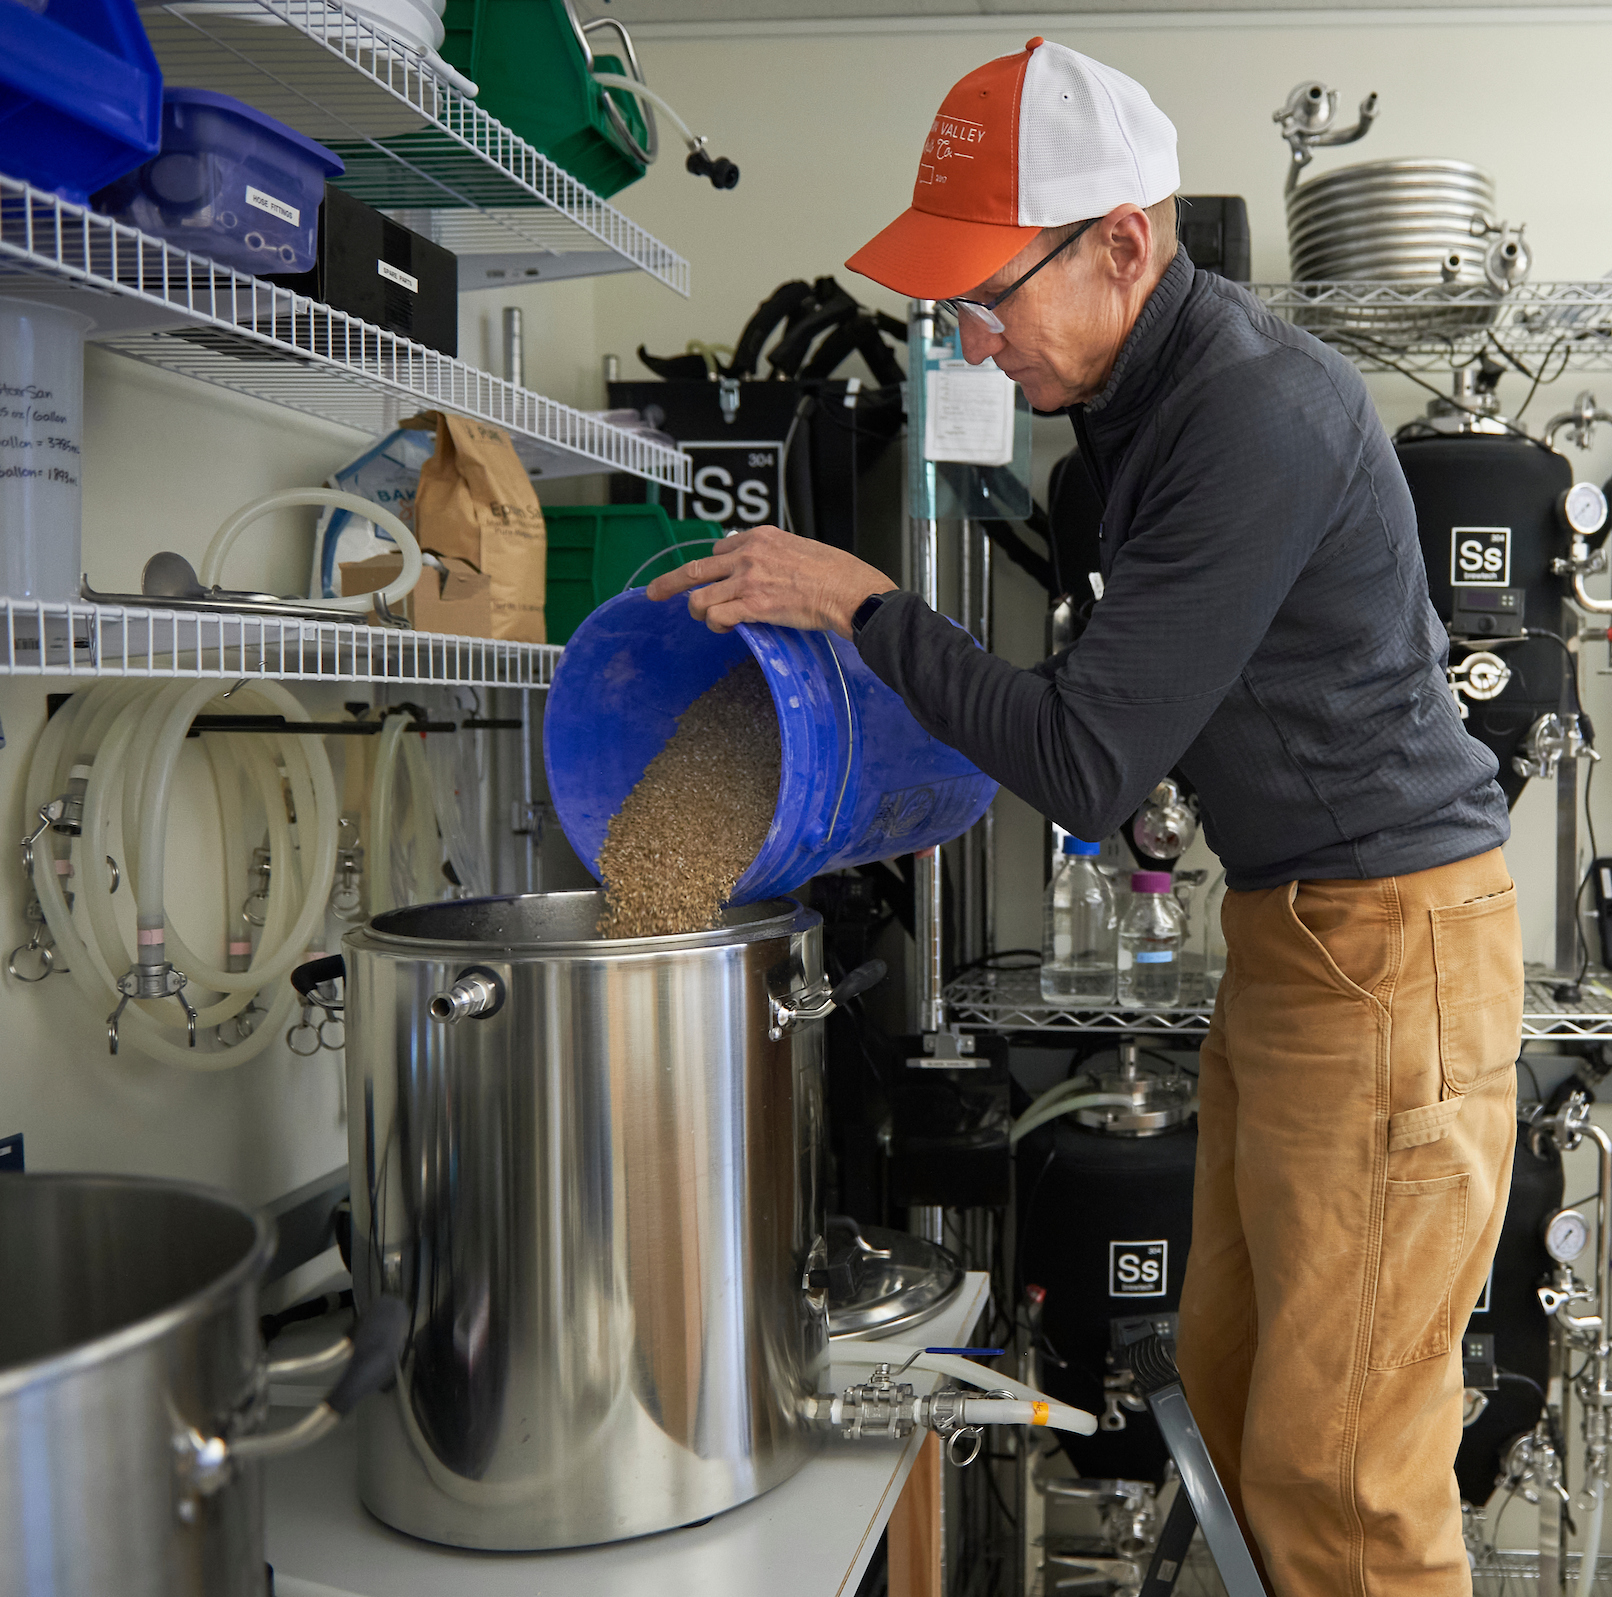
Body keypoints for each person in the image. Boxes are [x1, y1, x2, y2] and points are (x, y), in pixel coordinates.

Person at [645, 38, 1524, 1597]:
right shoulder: (1137, 410)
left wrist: (863, 604)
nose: (977, 342)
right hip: (1299, 939)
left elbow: (1085, 762)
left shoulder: (1252, 411)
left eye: (995, 295)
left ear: (1126, 242)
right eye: (956, 305)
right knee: (1245, 1396)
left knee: (1349, 1479)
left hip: (1396, 960)